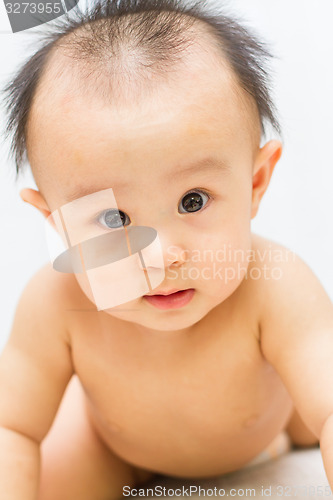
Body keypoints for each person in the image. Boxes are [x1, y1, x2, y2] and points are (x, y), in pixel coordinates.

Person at [1, 0, 333, 499]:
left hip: (262, 432)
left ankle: (289, 434)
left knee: (312, 416)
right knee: (57, 479)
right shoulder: (54, 303)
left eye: (192, 201)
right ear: (57, 222)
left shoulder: (276, 285)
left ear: (256, 182)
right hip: (113, 446)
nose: (159, 257)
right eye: (114, 219)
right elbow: (12, 428)